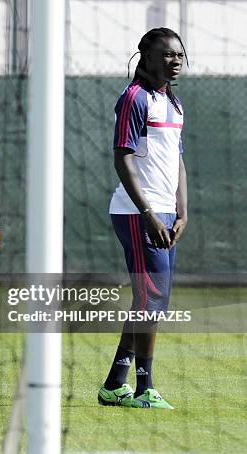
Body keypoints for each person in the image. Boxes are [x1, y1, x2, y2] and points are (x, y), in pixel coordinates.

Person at [97, 27, 188, 410]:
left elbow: (178, 161)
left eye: (180, 55)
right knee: (152, 299)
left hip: (165, 213)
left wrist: (183, 210)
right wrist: (149, 211)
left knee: (151, 300)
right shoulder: (134, 98)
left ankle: (115, 383)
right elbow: (123, 157)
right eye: (168, 54)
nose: (176, 60)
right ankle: (144, 388)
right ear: (146, 56)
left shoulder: (175, 103)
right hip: (137, 212)